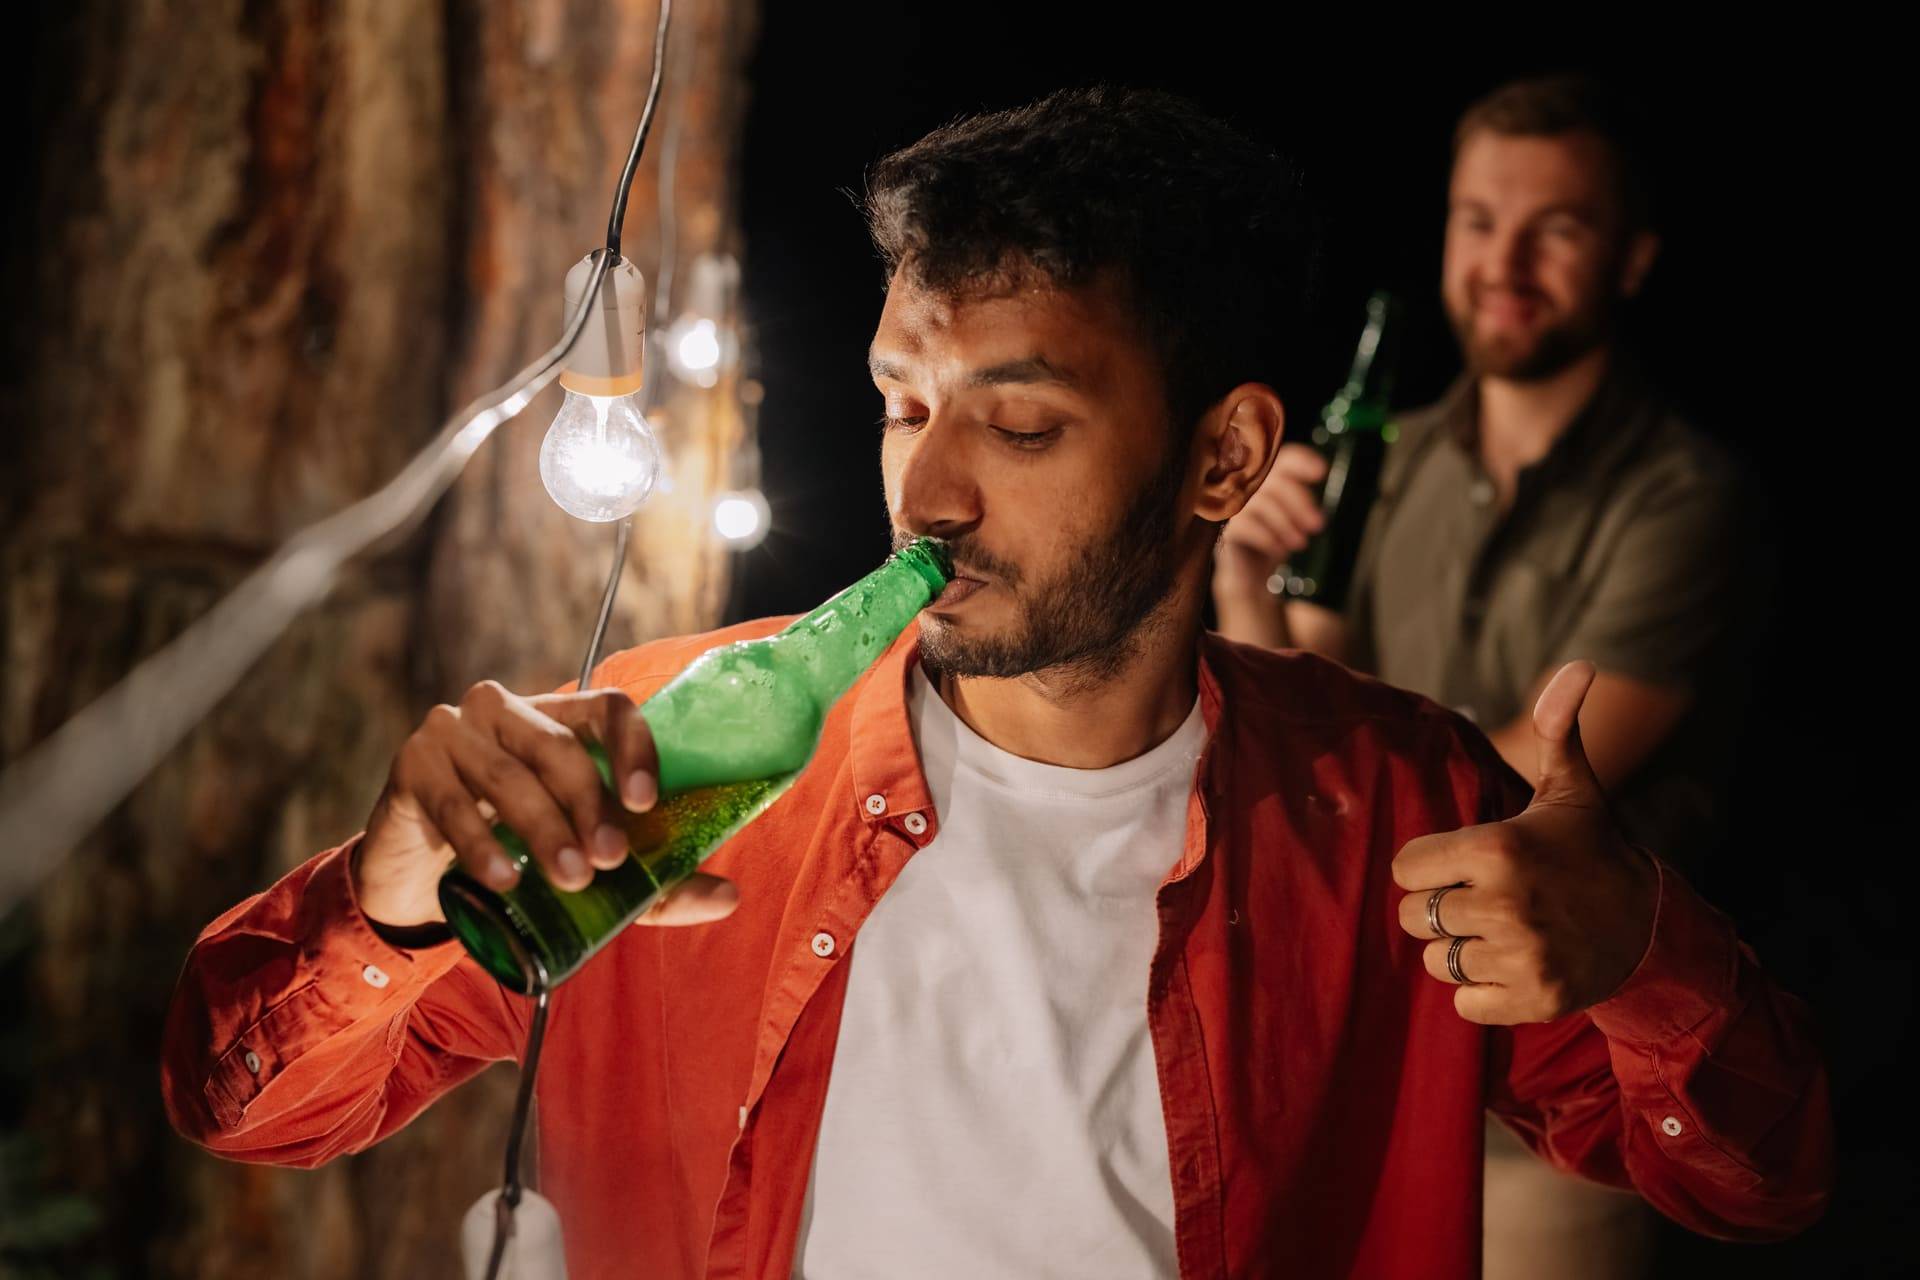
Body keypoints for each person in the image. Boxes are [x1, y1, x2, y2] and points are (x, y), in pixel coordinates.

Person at [163, 86, 1828, 1280]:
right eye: (904, 404)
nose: (932, 491)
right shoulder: (673, 752)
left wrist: (1642, 953)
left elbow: (1761, 1185)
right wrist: (389, 902)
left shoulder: (1403, 805)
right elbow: (249, 1108)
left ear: (1226, 457)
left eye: (1022, 424)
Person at [1211, 75, 1756, 1280]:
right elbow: (1300, 718)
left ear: (1630, 257)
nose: (1504, 263)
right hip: (1356, 1055)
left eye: (1553, 227)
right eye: (1478, 221)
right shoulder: (1382, 463)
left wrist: (1333, 772)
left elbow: (1521, 794)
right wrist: (1243, 582)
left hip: (1557, 1103)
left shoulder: (1682, 498)